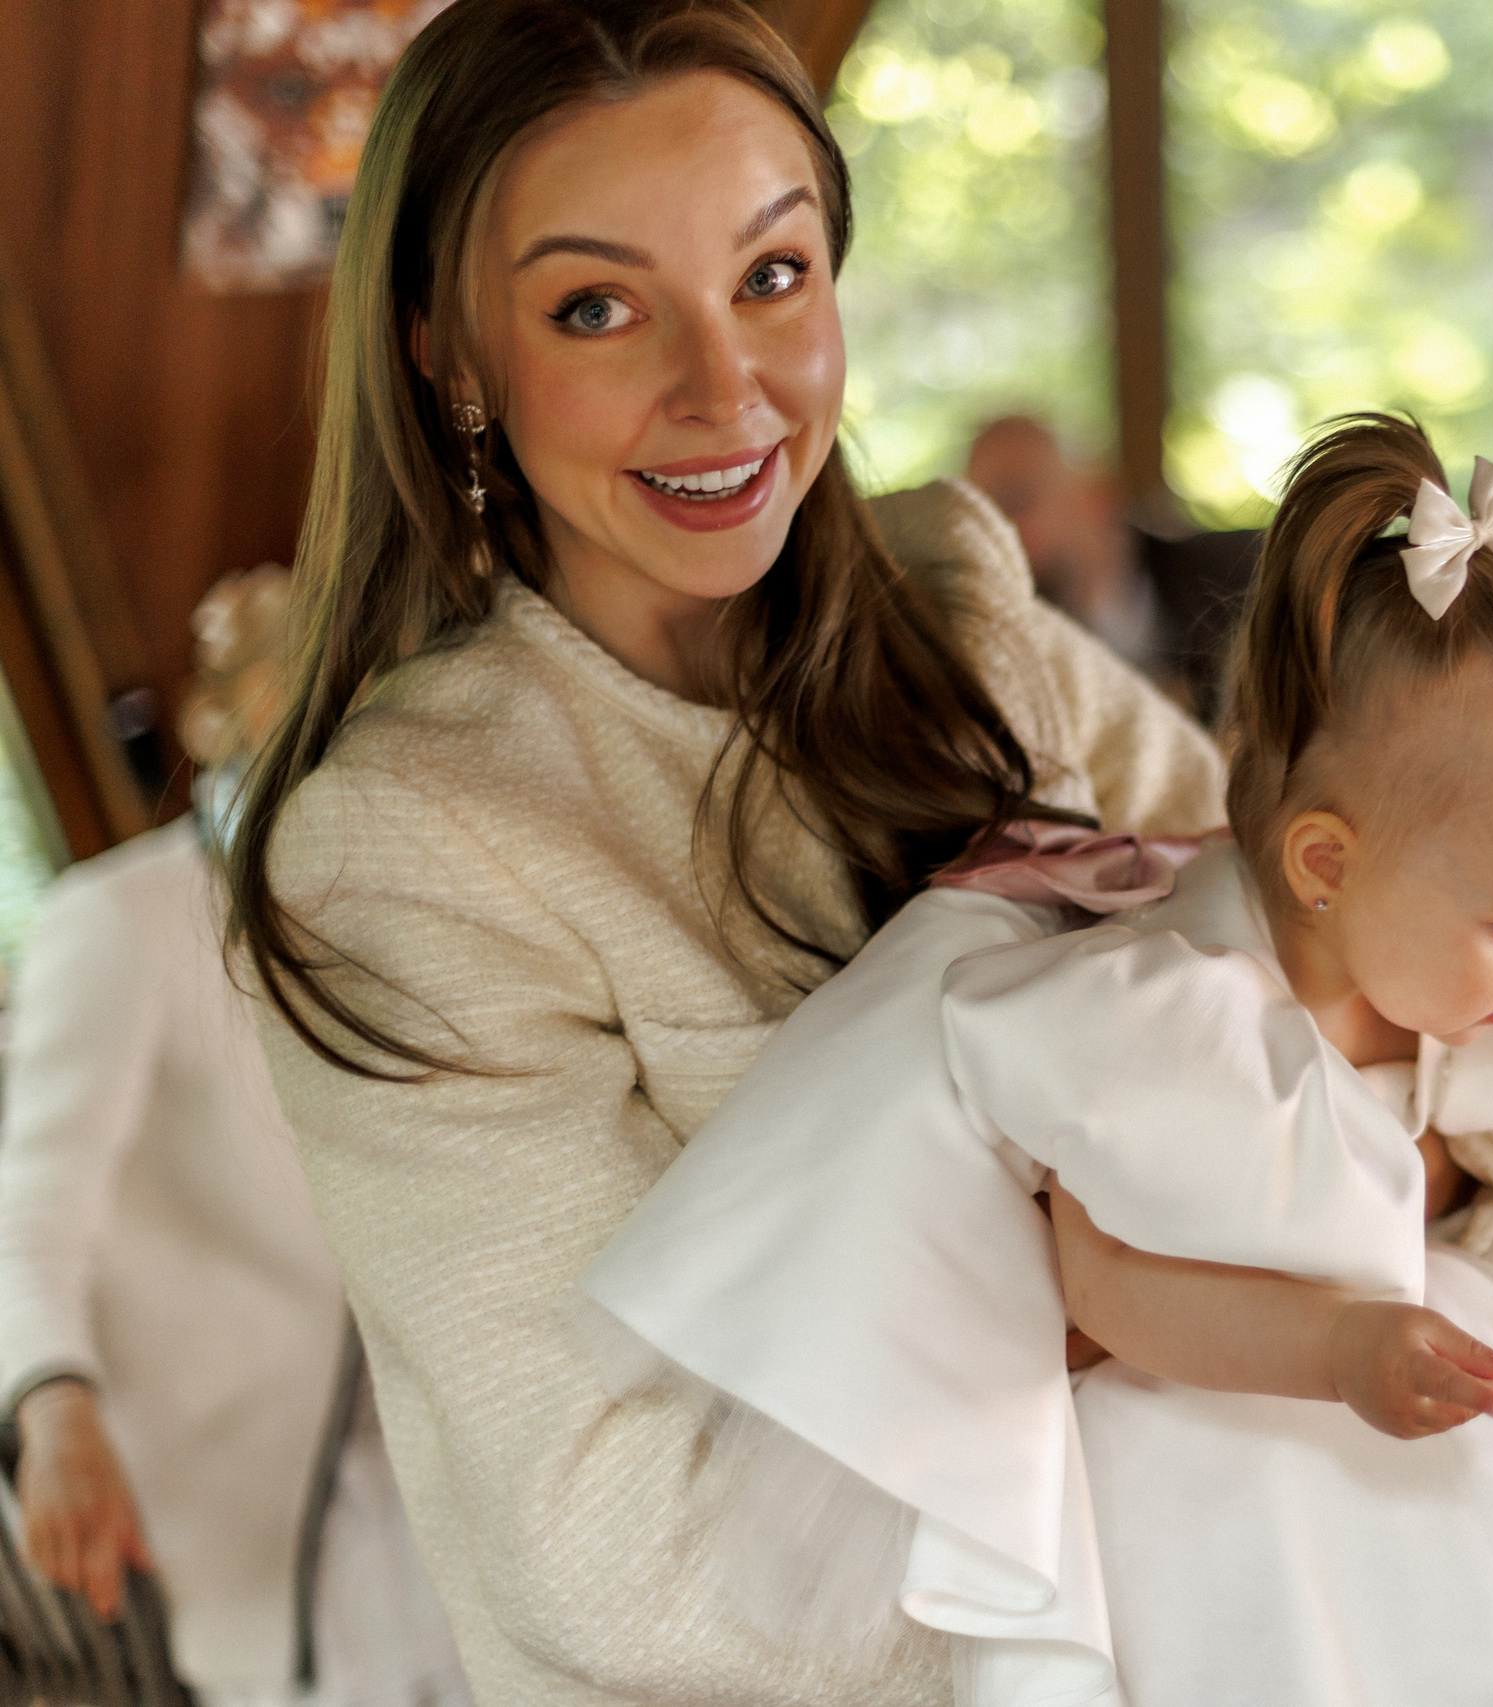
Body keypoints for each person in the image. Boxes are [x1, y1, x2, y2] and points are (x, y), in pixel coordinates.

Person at [226, 5, 1224, 1704]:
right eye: (598, 306)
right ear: (449, 356)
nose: (725, 386)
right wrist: (1224, 1322)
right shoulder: (406, 847)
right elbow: (629, 1556)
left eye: (772, 276)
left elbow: (1353, 984)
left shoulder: (961, 603)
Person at [583, 417, 1493, 1707]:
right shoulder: (1169, 1025)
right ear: (1326, 866)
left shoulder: (1460, 978)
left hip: (1423, 1400)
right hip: (1222, 1438)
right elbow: (1104, 1282)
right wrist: (1333, 1352)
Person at [0, 568, 465, 1707]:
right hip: (266, 1517)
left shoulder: (422, 899)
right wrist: (52, 1407)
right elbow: (29, 1221)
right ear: (250, 712)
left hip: (452, 1475)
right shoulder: (122, 922)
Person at [965, 414, 1258, 717]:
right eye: (981, 515)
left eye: (1014, 503)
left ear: (1097, 497)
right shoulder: (1002, 646)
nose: (995, 534)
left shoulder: (1240, 576)